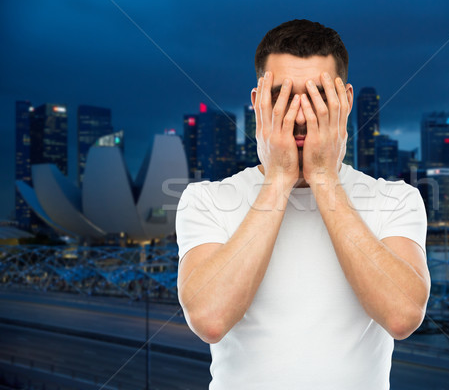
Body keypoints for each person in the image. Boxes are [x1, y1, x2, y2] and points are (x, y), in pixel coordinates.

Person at [175, 19, 430, 390]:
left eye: (317, 97)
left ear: (346, 101)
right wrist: (278, 179)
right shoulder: (207, 200)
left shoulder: (395, 199)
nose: (298, 116)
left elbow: (403, 316)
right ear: (257, 101)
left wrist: (324, 179)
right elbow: (209, 319)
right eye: (281, 96)